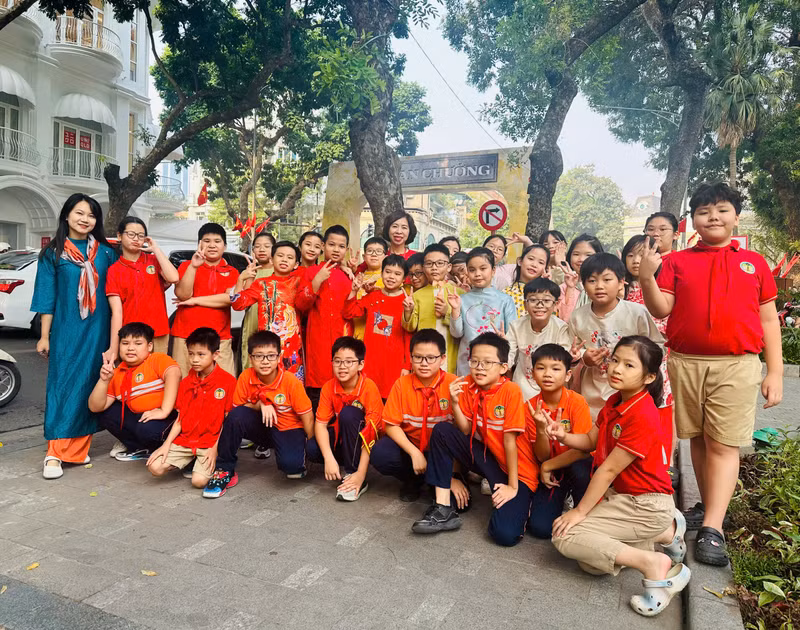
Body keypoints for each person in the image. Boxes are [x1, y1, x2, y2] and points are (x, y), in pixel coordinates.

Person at [639, 182, 783, 567]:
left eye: (721, 209)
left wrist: (776, 373)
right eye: (704, 211)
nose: (713, 217)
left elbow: (769, 320)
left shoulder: (754, 263)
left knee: (723, 444)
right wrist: (647, 277)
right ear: (693, 221)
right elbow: (661, 308)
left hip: (736, 364)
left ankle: (713, 529)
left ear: (736, 216)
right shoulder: (677, 261)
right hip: (685, 362)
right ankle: (709, 506)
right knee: (699, 441)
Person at [550, 336, 689, 618]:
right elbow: (591, 440)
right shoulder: (617, 400)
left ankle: (653, 563)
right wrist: (562, 434)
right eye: (615, 360)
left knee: (567, 536)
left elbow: (608, 470)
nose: (617, 369)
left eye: (628, 365)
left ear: (649, 377)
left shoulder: (642, 414)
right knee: (592, 563)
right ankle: (666, 532)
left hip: (644, 504)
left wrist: (578, 512)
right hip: (628, 499)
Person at [412, 332, 539, 547]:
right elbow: (465, 429)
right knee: (443, 430)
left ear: (503, 367)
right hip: (487, 458)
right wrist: (454, 402)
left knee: (504, 535)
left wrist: (513, 486)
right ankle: (443, 509)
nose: (480, 367)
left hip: (516, 469)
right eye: (475, 361)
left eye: (488, 362)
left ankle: (524, 500)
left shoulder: (511, 391)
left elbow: (511, 442)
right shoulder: (468, 385)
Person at [33, 193, 118, 479]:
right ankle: (54, 453)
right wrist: (45, 336)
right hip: (67, 330)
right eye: (79, 213)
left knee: (89, 385)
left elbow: (118, 292)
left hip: (99, 331)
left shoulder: (106, 253)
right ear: (66, 215)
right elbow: (47, 298)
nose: (85, 219)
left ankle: (78, 450)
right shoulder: (53, 253)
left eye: (91, 215)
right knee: (62, 384)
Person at [204, 331, 313, 497]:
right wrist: (261, 404)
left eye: (270, 356)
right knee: (237, 415)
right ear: (250, 358)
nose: (265, 362)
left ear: (279, 357)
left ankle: (299, 455)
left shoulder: (290, 381)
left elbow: (307, 416)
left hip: (288, 429)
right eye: (259, 356)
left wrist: (312, 447)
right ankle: (224, 470)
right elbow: (236, 413)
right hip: (264, 429)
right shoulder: (245, 377)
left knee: (292, 469)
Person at [370, 329, 468, 505]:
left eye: (431, 358)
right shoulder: (401, 384)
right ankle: (413, 479)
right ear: (411, 358)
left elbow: (462, 436)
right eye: (418, 357)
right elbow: (390, 425)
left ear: (443, 359)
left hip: (443, 456)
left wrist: (452, 475)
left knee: (456, 504)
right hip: (412, 448)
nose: (424, 363)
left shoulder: (455, 385)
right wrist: (414, 453)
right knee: (381, 454)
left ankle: (437, 478)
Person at [568, 252, 663, 418]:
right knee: (593, 436)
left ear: (621, 282)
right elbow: (569, 350)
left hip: (630, 392)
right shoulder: (577, 317)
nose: (599, 286)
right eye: (592, 280)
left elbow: (657, 346)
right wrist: (583, 357)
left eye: (607, 279)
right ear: (582, 284)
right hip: (592, 395)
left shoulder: (636, 313)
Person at [145, 327, 236, 489]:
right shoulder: (186, 382)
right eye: (191, 353)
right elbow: (180, 419)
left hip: (210, 443)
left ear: (215, 355)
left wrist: (216, 449)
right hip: (186, 441)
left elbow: (227, 420)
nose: (195, 359)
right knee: (155, 467)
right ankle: (191, 461)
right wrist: (165, 445)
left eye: (201, 355)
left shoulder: (227, 382)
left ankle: (222, 468)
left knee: (198, 482)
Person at [623, 234, 677, 486]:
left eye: (642, 255)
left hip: (659, 361)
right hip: (626, 362)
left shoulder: (663, 287)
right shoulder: (619, 287)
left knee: (661, 412)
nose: (636, 261)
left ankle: (664, 466)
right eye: (631, 255)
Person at [524, 344, 592, 538]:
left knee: (581, 468)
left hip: (577, 465)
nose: (547, 374)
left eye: (555, 369)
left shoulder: (577, 402)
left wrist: (547, 465)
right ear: (532, 373)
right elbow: (541, 455)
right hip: (552, 470)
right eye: (541, 368)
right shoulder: (529, 408)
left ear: (568, 375)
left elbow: (584, 449)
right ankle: (562, 498)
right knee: (540, 529)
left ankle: (581, 506)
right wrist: (540, 429)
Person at [90, 322, 181, 461]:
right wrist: (103, 380)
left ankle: (171, 448)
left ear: (149, 346)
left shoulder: (156, 359)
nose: (131, 348)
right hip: (143, 418)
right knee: (106, 413)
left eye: (138, 343)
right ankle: (141, 448)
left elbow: (174, 373)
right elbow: (95, 407)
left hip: (169, 417)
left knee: (147, 430)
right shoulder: (117, 372)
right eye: (125, 343)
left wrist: (164, 410)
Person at [306, 337, 383, 501]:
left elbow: (371, 434)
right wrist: (329, 459)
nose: (342, 366)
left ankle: (354, 474)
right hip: (342, 439)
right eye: (337, 361)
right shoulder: (329, 387)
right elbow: (320, 424)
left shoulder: (369, 388)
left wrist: (360, 474)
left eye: (349, 362)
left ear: (360, 364)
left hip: (365, 443)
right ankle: (339, 465)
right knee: (312, 448)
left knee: (349, 413)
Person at [296, 225, 354, 412]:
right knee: (317, 390)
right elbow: (301, 304)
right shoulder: (311, 272)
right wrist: (316, 281)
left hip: (342, 336)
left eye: (341, 246)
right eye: (331, 245)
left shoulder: (348, 276)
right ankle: (314, 436)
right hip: (317, 340)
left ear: (346, 248)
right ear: (323, 246)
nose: (336, 250)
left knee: (343, 385)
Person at [170, 223, 239, 376]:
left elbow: (229, 299)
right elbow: (182, 295)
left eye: (217, 241)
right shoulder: (186, 266)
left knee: (223, 385)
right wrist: (194, 267)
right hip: (185, 336)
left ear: (225, 246)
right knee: (184, 384)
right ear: (199, 244)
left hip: (220, 338)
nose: (212, 245)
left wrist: (195, 300)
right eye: (207, 241)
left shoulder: (232, 272)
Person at [231, 240, 306, 380]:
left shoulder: (300, 280)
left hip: (293, 346)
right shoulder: (261, 283)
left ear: (296, 264)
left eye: (290, 258)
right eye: (280, 255)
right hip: (266, 348)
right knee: (265, 385)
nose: (284, 260)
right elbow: (238, 304)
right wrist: (241, 280)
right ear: (272, 259)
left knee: (291, 386)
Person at [106, 216, 178, 356]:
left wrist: (155, 249)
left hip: (158, 333)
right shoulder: (114, 270)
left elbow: (174, 277)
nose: (136, 239)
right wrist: (113, 348)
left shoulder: (153, 260)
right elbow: (117, 312)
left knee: (158, 376)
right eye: (131, 234)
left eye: (140, 236)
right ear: (119, 236)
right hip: (131, 336)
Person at [342, 254, 410, 398]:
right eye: (388, 272)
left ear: (404, 279)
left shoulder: (406, 302)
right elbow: (348, 313)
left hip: (395, 363)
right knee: (368, 397)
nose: (391, 277)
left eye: (397, 274)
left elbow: (409, 336)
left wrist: (407, 366)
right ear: (381, 273)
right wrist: (354, 291)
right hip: (371, 361)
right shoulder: (373, 296)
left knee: (391, 400)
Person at [447, 248, 517, 376]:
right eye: (472, 270)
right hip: (467, 364)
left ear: (493, 270)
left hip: (494, 364)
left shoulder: (505, 300)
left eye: (483, 268)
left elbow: (512, 336)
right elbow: (456, 333)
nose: (477, 274)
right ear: (467, 272)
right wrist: (455, 310)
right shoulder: (461, 299)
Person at [507, 278, 571, 400]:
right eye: (533, 300)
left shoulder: (561, 328)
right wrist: (501, 352)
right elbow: (508, 355)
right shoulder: (516, 326)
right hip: (522, 386)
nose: (540, 305)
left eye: (546, 300)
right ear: (525, 304)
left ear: (556, 304)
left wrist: (573, 356)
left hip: (552, 386)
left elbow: (565, 357)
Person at [402, 243, 461, 374]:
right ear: (423, 267)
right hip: (424, 355)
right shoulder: (417, 295)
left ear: (449, 266)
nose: (434, 268)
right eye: (429, 264)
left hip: (450, 352)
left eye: (440, 263)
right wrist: (408, 311)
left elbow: (462, 327)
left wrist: (447, 312)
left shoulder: (459, 294)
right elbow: (410, 327)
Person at [238, 231, 275, 370]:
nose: (261, 249)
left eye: (266, 246)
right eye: (257, 246)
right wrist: (249, 276)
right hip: (252, 319)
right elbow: (244, 301)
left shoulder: (279, 271)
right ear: (252, 251)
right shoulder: (249, 272)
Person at [558, 234, 603, 323]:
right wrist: (570, 288)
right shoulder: (563, 287)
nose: (581, 259)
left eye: (588, 255)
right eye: (576, 254)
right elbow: (563, 318)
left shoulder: (604, 285)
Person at [350, 236, 387, 340]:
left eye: (379, 251)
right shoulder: (357, 278)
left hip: (377, 335)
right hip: (355, 334)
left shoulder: (388, 280)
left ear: (385, 256)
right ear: (364, 256)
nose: (374, 254)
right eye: (370, 251)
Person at [503, 243, 550, 318]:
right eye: (531, 259)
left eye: (541, 262)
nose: (534, 265)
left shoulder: (549, 296)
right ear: (520, 261)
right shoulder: (505, 294)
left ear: (546, 269)